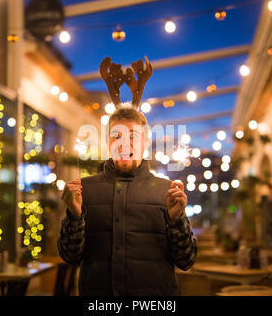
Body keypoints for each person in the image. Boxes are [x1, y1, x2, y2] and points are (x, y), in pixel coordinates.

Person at [57, 106, 197, 295]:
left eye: (133, 136)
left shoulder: (167, 192)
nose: (124, 143)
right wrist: (74, 217)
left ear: (146, 142)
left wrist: (176, 221)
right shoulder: (84, 191)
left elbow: (186, 260)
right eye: (117, 136)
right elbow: (69, 256)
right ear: (108, 142)